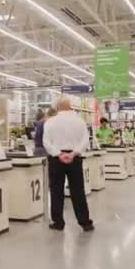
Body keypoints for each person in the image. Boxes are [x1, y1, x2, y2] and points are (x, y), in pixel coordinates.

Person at [43, 98, 94, 232]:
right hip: (75, 159)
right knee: (78, 191)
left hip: (56, 159)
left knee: (56, 191)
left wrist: (59, 154)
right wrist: (73, 154)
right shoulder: (80, 121)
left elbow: (46, 142)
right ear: (70, 106)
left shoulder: (50, 121)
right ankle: (85, 223)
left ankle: (58, 222)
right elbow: (85, 141)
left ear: (57, 107)